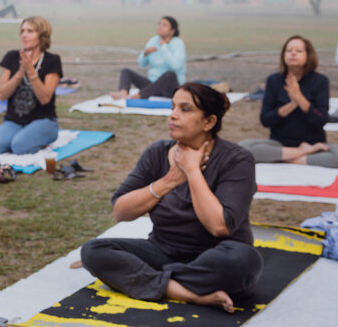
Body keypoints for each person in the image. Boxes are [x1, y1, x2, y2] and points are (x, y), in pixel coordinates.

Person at [80, 83, 261, 314]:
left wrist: (192, 171)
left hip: (218, 256)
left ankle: (149, 280)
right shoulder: (157, 152)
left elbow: (220, 226)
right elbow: (120, 211)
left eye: (185, 109)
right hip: (163, 252)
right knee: (93, 251)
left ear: (209, 122)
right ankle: (186, 292)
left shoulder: (236, 160)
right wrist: (170, 181)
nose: (173, 115)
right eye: (173, 107)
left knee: (244, 262)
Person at [239, 36, 338, 169]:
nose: (293, 53)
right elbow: (265, 120)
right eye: (289, 50)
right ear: (283, 55)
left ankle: (283, 159)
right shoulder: (274, 80)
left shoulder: (320, 81)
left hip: (313, 145)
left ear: (308, 55)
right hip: (280, 144)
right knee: (244, 148)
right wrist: (292, 103)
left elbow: (321, 120)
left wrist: (299, 97)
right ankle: (300, 155)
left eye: (299, 51)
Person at [0, 17, 62, 154]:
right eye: (22, 31)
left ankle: (42, 137)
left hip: (44, 120)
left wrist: (31, 71)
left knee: (19, 146)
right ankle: (26, 135)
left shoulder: (52, 61)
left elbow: (45, 98)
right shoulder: (12, 57)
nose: (24, 35)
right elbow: (2, 95)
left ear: (42, 36)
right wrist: (19, 73)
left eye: (30, 31)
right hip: (15, 120)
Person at [111, 16, 186, 99]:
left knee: (170, 75)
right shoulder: (153, 40)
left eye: (164, 25)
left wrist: (164, 46)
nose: (160, 26)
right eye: (159, 24)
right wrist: (145, 53)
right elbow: (142, 64)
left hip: (169, 88)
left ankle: (140, 96)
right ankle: (123, 94)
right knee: (126, 71)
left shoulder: (178, 43)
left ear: (172, 31)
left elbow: (176, 66)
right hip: (152, 86)